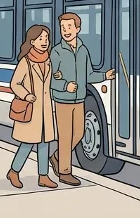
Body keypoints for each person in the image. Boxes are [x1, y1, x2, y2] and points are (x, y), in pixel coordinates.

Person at [49, 12, 115, 186]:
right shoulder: (56, 51)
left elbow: (88, 74)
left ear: (77, 29)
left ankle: (56, 157)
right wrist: (65, 85)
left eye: (69, 27)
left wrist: (104, 76)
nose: (66, 31)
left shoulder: (83, 50)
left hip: (79, 100)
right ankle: (64, 172)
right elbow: (50, 79)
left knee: (79, 133)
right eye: (63, 28)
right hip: (63, 100)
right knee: (65, 136)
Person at [6, 24, 58, 190]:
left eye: (46, 38)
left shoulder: (48, 61)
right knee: (27, 144)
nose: (44, 42)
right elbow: (15, 83)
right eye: (40, 38)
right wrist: (26, 95)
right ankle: (14, 171)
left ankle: (43, 176)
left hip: (45, 111)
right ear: (32, 41)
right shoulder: (26, 61)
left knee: (44, 143)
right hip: (31, 110)